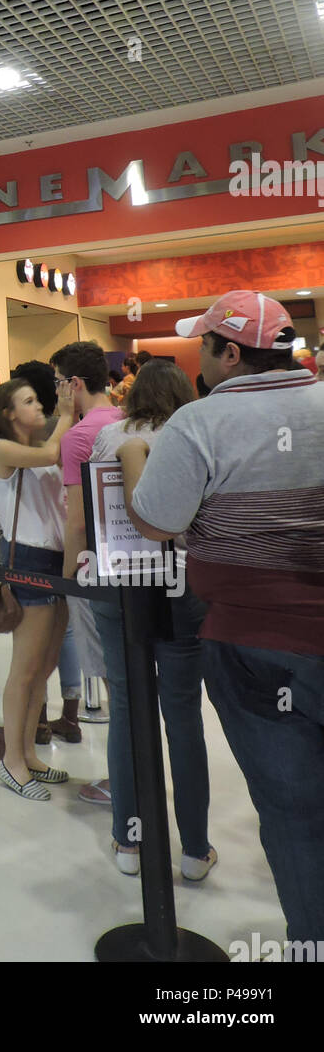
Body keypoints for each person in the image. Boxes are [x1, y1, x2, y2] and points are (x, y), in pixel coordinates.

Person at [124, 291, 324, 942]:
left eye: (205, 346)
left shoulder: (200, 423)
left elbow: (156, 520)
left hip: (251, 642)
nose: (200, 360)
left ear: (231, 353)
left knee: (292, 812)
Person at [89, 360, 214, 877]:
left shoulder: (109, 436)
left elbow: (90, 510)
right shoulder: (195, 434)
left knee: (125, 707)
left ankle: (128, 841)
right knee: (183, 716)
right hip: (182, 583)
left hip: (118, 584)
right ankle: (194, 850)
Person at [0, 378, 76, 799]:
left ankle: (27, 752)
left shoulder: (43, 446)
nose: (39, 406)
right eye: (29, 401)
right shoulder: (2, 449)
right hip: (27, 560)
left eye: (38, 399)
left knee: (44, 666)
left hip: (57, 560)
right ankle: (11, 760)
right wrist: (68, 414)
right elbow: (52, 453)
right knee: (25, 669)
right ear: (8, 413)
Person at [50, 341, 124, 748]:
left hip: (94, 567)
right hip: (136, 561)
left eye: (59, 382)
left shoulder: (77, 436)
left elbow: (76, 520)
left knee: (113, 678)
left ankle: (125, 775)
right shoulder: (127, 420)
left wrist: (67, 578)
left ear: (74, 383)